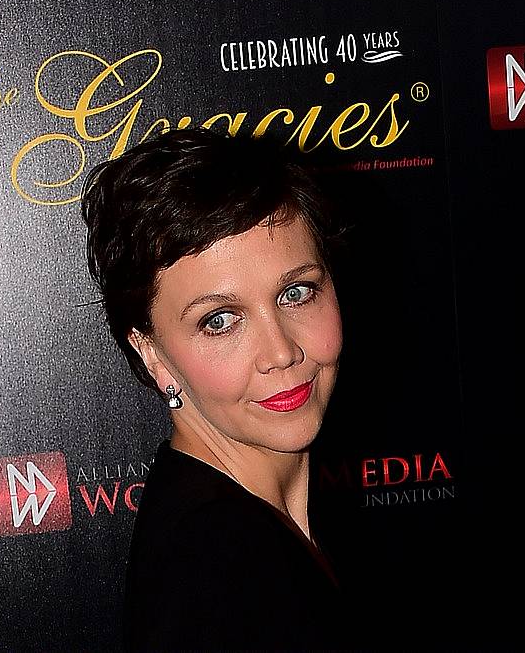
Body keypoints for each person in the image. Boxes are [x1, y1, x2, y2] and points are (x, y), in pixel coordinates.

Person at [81, 127, 350, 650]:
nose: (281, 353)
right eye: (221, 320)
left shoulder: (269, 527)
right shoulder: (216, 562)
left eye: (297, 292)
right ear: (152, 353)